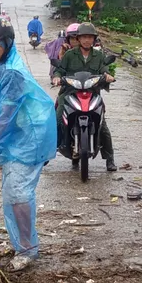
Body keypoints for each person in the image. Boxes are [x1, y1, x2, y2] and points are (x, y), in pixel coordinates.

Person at [0, 16, 57, 271]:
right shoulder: (0, 63)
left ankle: (28, 249)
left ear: (7, 43)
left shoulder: (12, 71)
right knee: (13, 192)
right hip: (16, 134)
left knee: (18, 192)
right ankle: (21, 242)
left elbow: (6, 113)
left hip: (28, 138)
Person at [51, 22, 117, 172]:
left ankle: (110, 159)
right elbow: (59, 70)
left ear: (94, 39)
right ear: (78, 39)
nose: (87, 40)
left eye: (90, 37)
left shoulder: (99, 55)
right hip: (69, 93)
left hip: (92, 94)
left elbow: (104, 69)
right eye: (84, 37)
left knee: (102, 125)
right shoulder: (69, 55)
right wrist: (56, 77)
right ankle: (47, 155)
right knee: (57, 120)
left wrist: (108, 76)